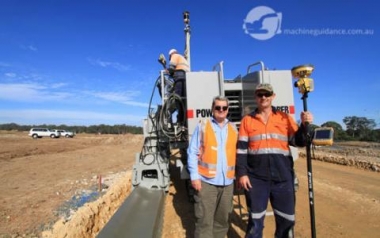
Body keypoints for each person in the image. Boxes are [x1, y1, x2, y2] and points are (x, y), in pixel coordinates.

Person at [236, 83, 313, 238]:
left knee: (286, 221)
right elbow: (241, 149)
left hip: (283, 178)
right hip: (256, 180)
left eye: (267, 94)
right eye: (260, 94)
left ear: (273, 96)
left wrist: (305, 126)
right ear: (255, 97)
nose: (263, 97)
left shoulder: (285, 118)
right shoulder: (247, 120)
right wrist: (242, 174)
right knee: (255, 222)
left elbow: (299, 142)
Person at [187, 96, 238, 238]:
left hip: (227, 183)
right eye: (218, 107)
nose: (221, 110)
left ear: (227, 110)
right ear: (212, 109)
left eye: (224, 108)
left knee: (222, 221)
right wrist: (194, 177)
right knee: (204, 221)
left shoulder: (233, 128)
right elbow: (192, 152)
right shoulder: (203, 125)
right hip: (206, 182)